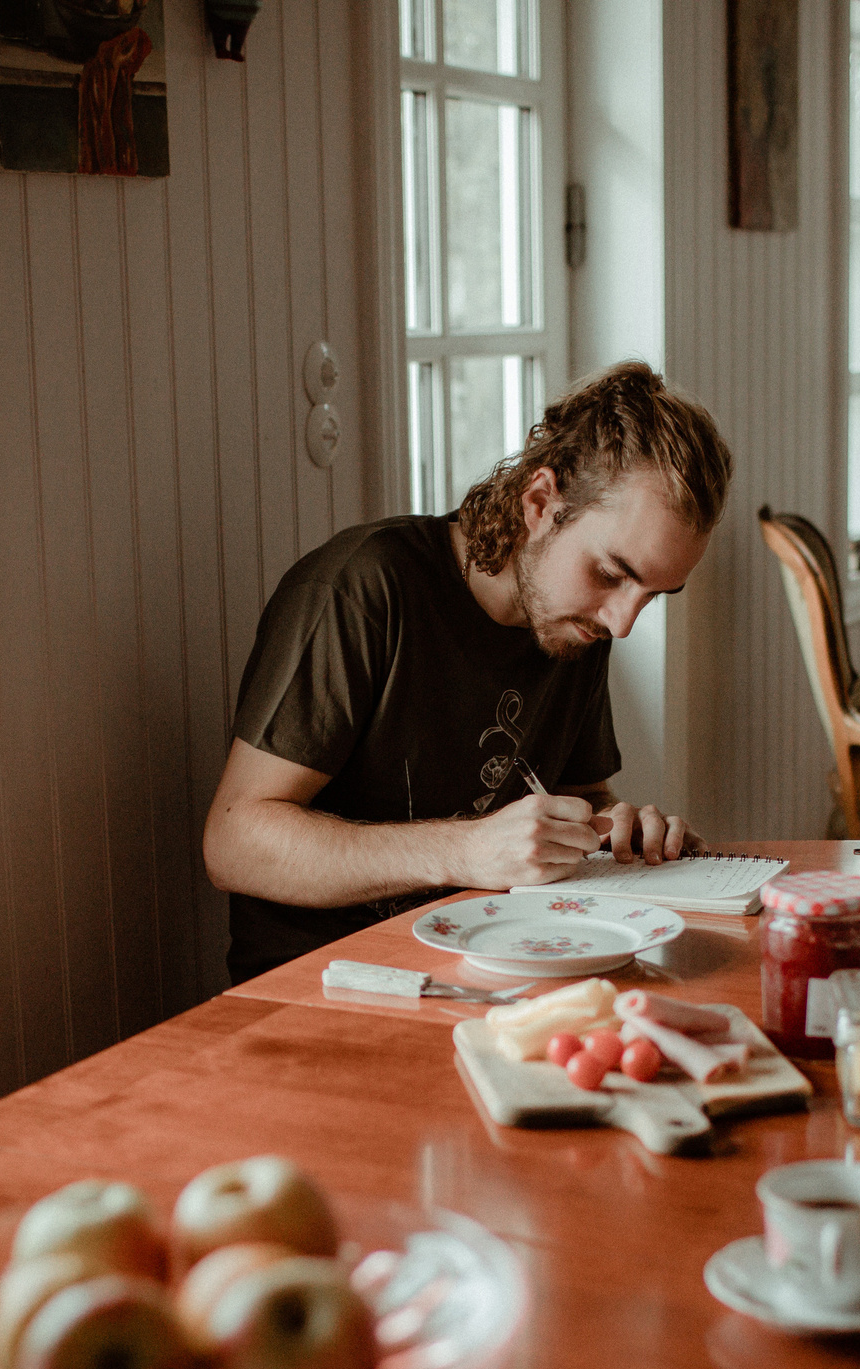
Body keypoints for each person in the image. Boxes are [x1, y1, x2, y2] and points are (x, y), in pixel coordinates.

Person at [203, 361, 733, 982]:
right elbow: (233, 843)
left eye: (652, 594)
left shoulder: (573, 625)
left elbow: (581, 801)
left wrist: (615, 829)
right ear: (540, 502)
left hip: (487, 974)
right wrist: (465, 850)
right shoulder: (362, 591)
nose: (622, 622)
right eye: (612, 572)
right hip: (326, 989)